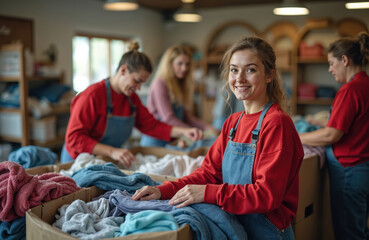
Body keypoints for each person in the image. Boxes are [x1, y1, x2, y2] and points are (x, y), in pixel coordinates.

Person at [132, 36, 304, 239]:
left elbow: (267, 196)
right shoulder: (233, 122)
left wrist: (207, 193)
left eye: (250, 69)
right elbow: (207, 174)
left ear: (269, 75)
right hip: (236, 227)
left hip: (266, 232)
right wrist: (164, 190)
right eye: (234, 69)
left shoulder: (276, 123)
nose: (239, 78)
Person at [61, 42, 203, 166]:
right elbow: (74, 138)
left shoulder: (131, 99)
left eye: (142, 83)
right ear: (123, 70)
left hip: (103, 160)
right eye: (137, 81)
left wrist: (183, 131)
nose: (139, 88)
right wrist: (112, 151)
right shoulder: (91, 96)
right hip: (77, 162)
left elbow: (151, 126)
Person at [299, 32, 369, 240]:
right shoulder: (365, 85)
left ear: (345, 60)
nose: (329, 69)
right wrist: (321, 122)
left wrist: (295, 137)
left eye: (331, 63)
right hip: (362, 166)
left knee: (349, 233)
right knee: (359, 228)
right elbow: (355, 123)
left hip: (349, 169)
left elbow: (331, 135)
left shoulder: (350, 90)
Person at [140, 45, 219, 148]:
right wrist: (192, 131)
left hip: (172, 140)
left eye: (187, 64)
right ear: (169, 64)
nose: (184, 68)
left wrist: (207, 127)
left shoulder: (179, 85)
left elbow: (186, 117)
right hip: (155, 142)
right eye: (180, 64)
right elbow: (168, 118)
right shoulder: (160, 83)